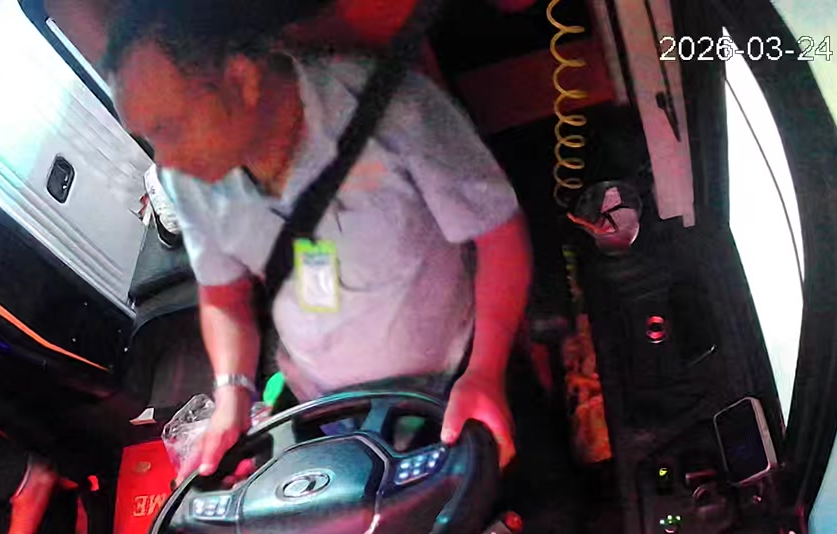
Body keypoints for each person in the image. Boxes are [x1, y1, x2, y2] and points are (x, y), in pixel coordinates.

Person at [104, 0, 534, 477]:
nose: (164, 162)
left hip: (453, 385)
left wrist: (485, 371)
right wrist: (232, 396)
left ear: (241, 80)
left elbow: (498, 233)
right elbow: (223, 297)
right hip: (325, 410)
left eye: (168, 128)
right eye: (149, 138)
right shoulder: (190, 179)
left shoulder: (392, 110)